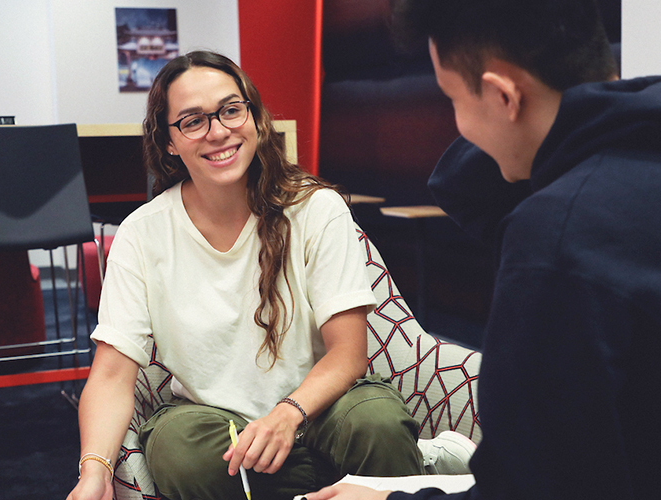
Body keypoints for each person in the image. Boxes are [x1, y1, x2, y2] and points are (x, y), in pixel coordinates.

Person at [307, 0, 661, 499]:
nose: (457, 125)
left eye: (451, 99)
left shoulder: (559, 237)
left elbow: (532, 486)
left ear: (503, 95)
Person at [66, 50, 434, 500]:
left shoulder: (315, 207)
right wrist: (95, 471)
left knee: (377, 424)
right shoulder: (142, 235)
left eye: (230, 110)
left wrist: (288, 413)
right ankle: (361, 483)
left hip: (326, 407)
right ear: (168, 142)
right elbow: (110, 376)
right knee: (176, 450)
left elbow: (349, 353)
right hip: (218, 424)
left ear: (255, 117)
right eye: (192, 120)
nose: (218, 131)